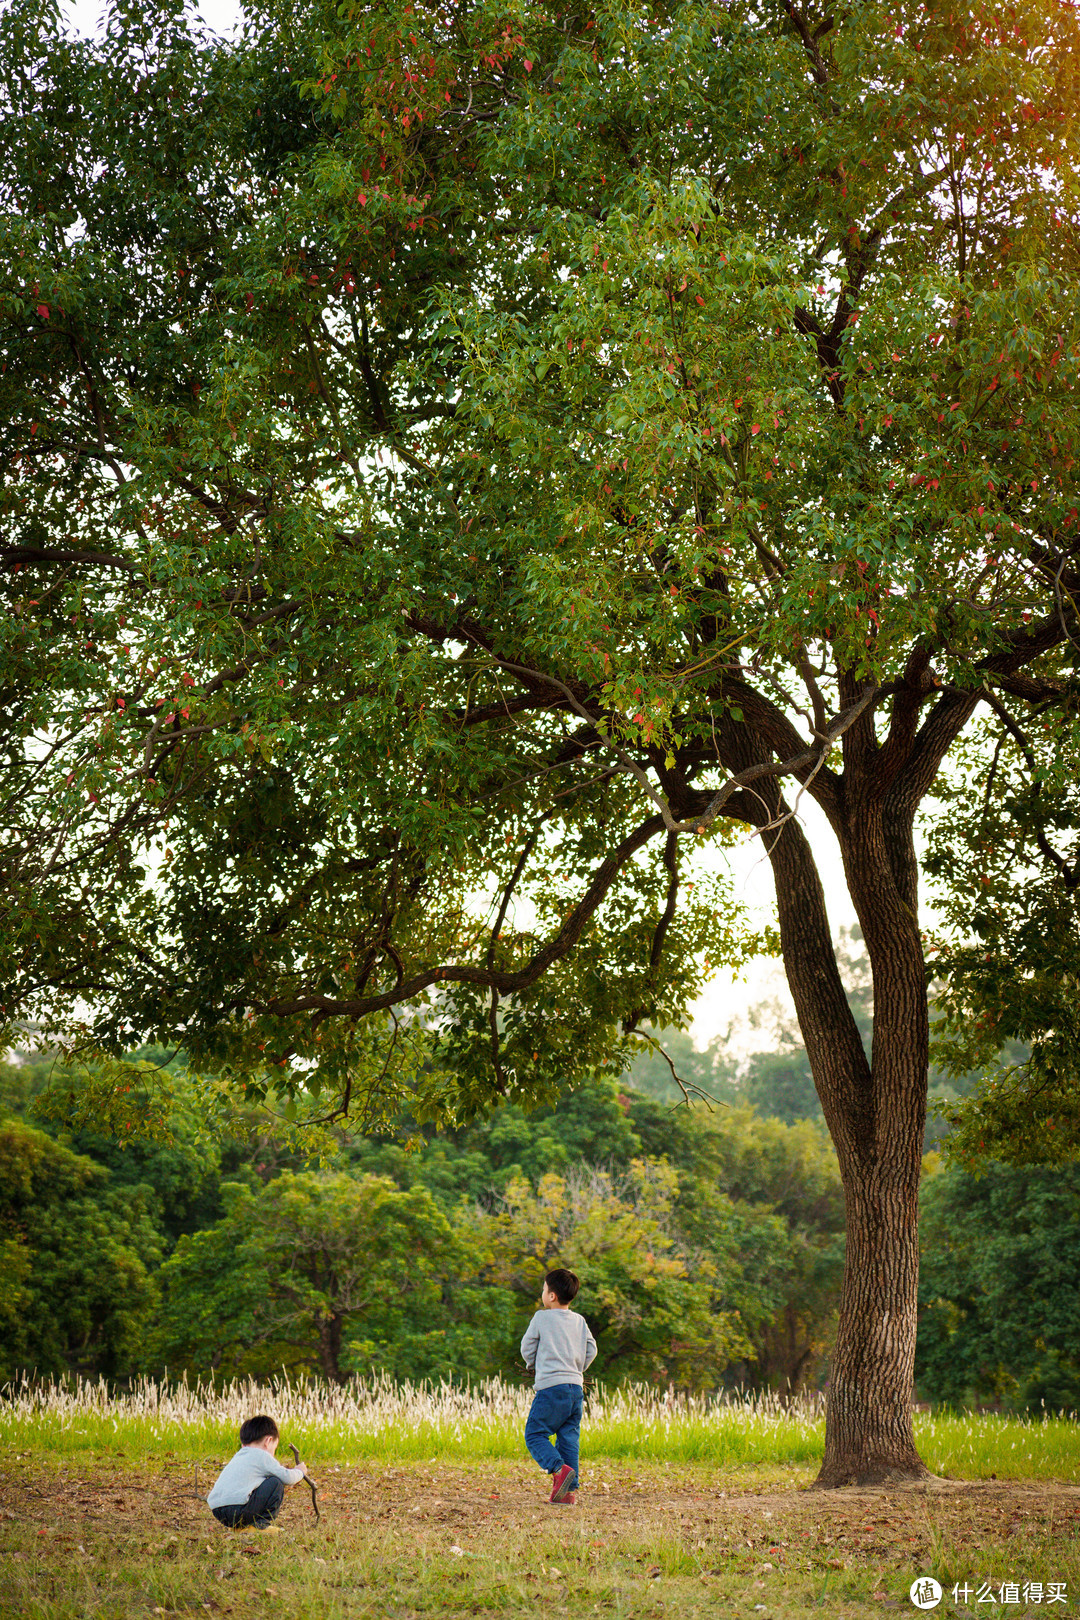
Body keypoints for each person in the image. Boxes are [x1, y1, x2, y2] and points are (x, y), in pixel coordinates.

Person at [520, 1267, 597, 1505]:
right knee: (568, 1439)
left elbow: (527, 1346)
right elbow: (591, 1348)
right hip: (575, 1389)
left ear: (551, 1296)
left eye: (544, 1290)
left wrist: (531, 1363)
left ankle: (558, 1469)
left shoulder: (541, 1317)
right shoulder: (580, 1321)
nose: (543, 1294)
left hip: (551, 1389)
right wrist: (577, 1368)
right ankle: (567, 1493)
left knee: (535, 1434)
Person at [206, 1414, 307, 1531]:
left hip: (218, 1511)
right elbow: (287, 1478)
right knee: (275, 1483)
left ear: (243, 1444)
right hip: (238, 1509)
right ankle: (259, 1527)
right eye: (274, 1448)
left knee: (260, 1485)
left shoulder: (238, 1456)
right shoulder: (262, 1456)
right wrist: (300, 1471)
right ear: (268, 1441)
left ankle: (239, 1527)